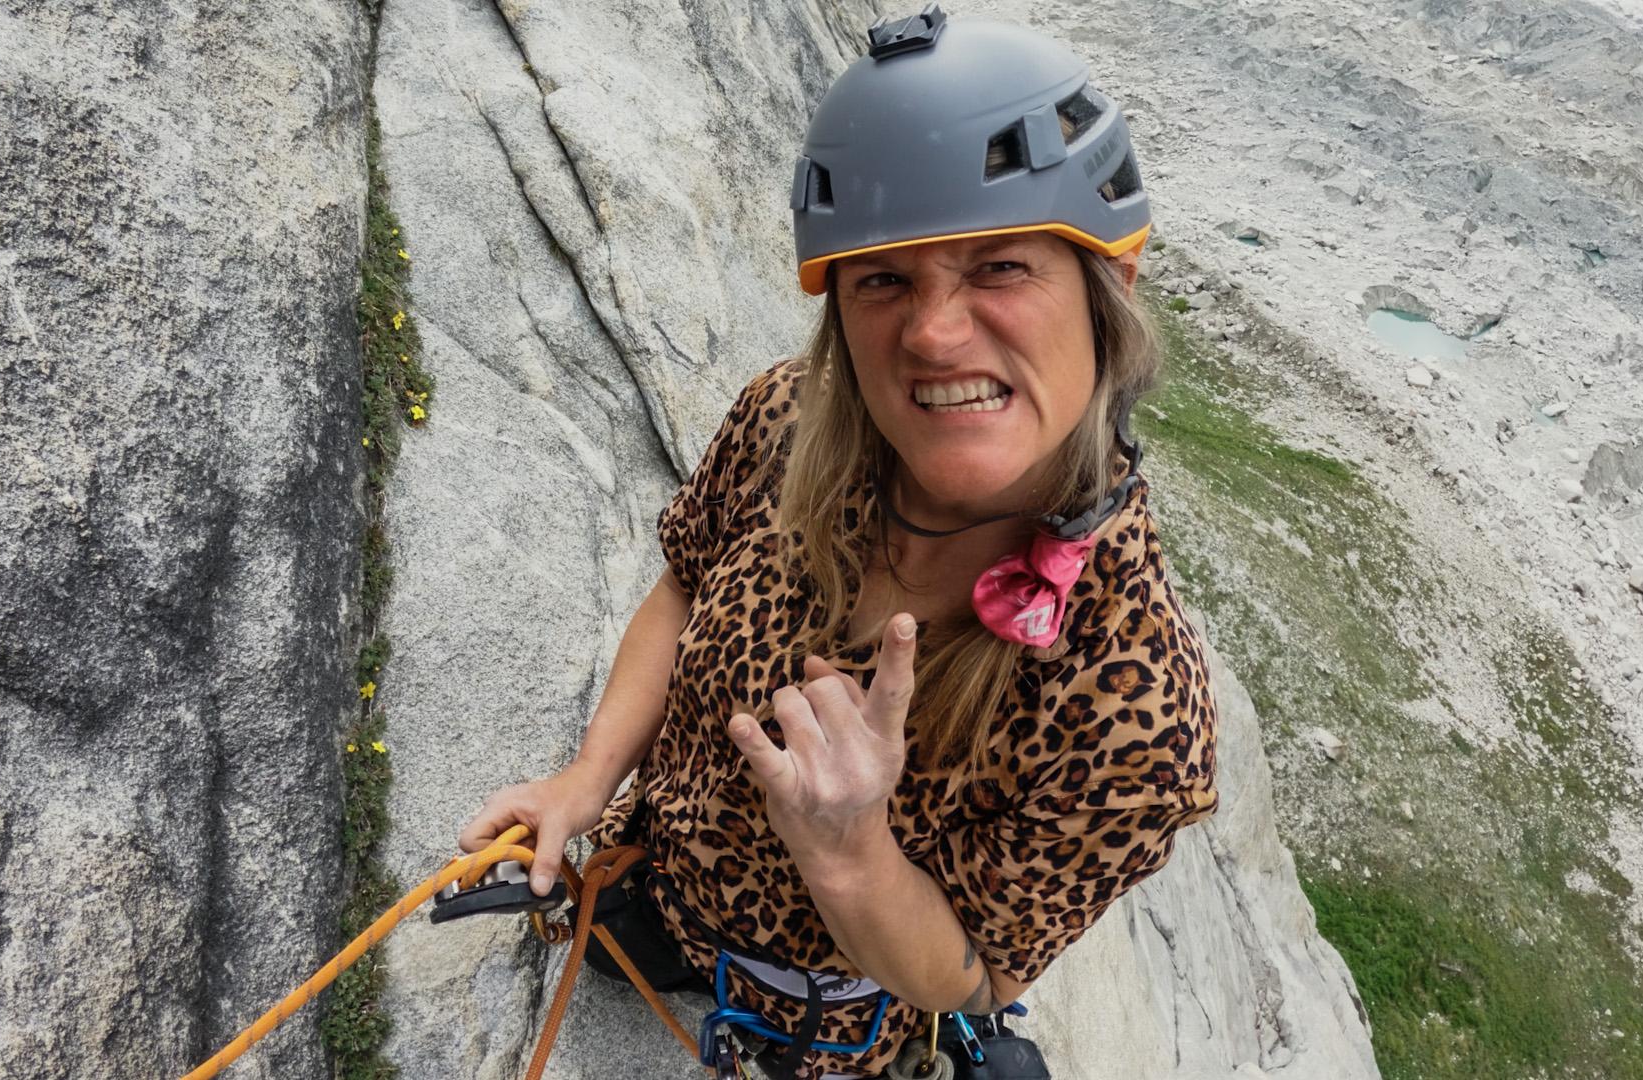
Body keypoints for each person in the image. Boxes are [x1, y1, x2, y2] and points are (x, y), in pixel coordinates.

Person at [459, 6, 1219, 1077]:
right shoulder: (787, 424)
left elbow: (974, 975)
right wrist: (585, 784)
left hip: (822, 1027)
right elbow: (682, 588)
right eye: (885, 280)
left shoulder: (1133, 705)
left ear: (1108, 294)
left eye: (1000, 266)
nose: (932, 332)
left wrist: (851, 852)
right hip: (661, 888)